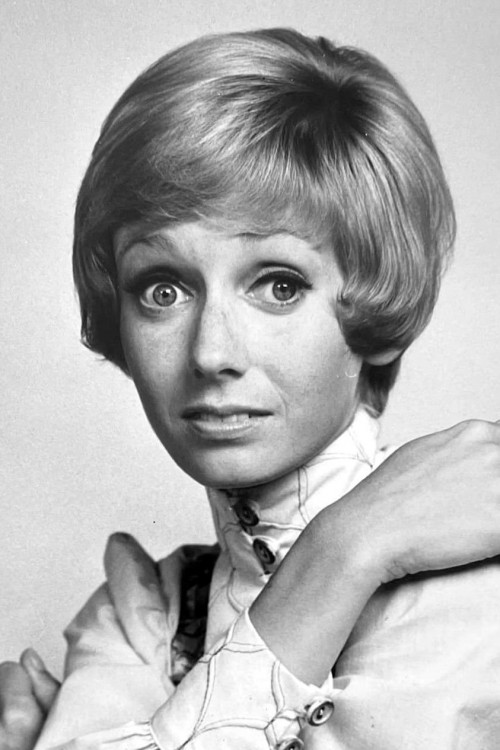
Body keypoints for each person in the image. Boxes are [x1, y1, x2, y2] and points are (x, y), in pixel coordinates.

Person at [2, 27, 500, 750]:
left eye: (278, 285)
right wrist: (345, 549)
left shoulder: (476, 600)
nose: (211, 353)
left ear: (380, 305)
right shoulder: (146, 614)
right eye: (163, 289)